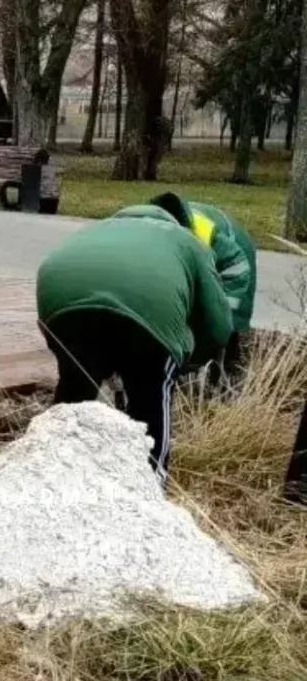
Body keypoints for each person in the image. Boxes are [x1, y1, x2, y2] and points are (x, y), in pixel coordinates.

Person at [36, 205, 233, 480]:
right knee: (150, 396)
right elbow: (219, 325)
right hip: (148, 319)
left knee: (74, 390)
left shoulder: (97, 227)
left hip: (61, 307)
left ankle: (46, 469)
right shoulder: (188, 240)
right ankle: (151, 484)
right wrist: (187, 360)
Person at [116, 192, 256, 377]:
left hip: (234, 255)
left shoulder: (204, 235)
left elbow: (237, 270)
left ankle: (225, 371)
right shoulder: (143, 231)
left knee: (224, 326)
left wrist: (219, 320)